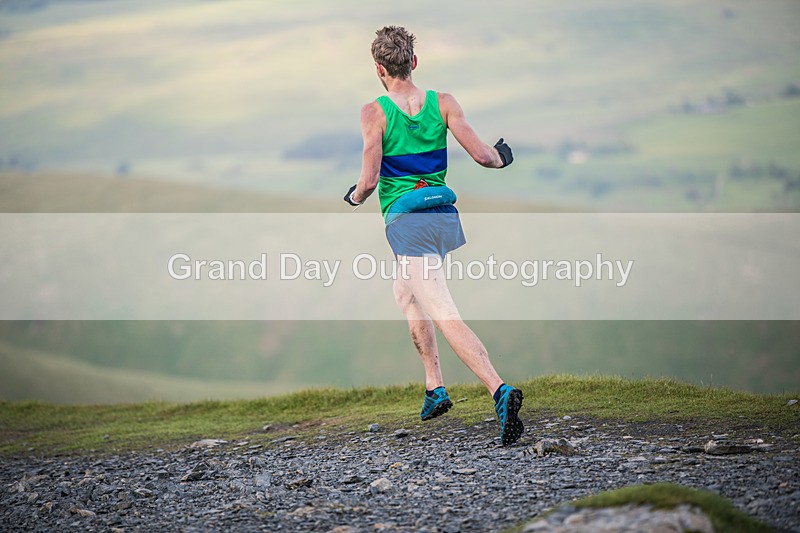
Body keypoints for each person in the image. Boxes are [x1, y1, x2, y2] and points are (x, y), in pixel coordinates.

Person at [344, 26, 523, 446]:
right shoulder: (443, 103)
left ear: (379, 69)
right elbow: (483, 155)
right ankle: (434, 387)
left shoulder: (374, 112)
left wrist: (353, 197)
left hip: (409, 224)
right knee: (406, 294)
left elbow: (368, 182)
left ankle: (499, 389)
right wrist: (502, 157)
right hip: (442, 216)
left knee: (443, 312)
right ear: (415, 63)